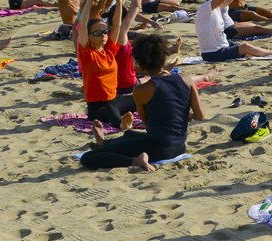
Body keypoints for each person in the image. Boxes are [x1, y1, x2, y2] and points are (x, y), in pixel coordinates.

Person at [78, 31, 203, 170]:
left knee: (87, 158)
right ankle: (103, 142)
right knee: (129, 134)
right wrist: (182, 115)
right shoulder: (186, 79)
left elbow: (147, 122)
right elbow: (199, 116)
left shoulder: (142, 90)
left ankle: (135, 161)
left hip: (158, 148)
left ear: (140, 64)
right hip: (180, 146)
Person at [75, 0, 135, 128]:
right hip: (97, 107)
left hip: (115, 99)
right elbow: (82, 27)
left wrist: (119, 2)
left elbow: (117, 25)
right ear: (89, 36)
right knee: (110, 111)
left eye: (104, 32)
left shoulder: (109, 49)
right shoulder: (87, 53)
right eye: (97, 33)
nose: (103, 35)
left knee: (141, 98)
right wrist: (89, 2)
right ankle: (122, 125)